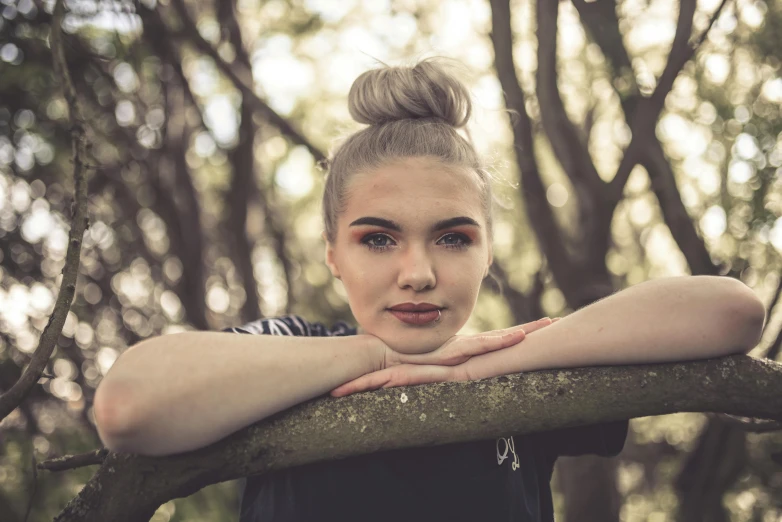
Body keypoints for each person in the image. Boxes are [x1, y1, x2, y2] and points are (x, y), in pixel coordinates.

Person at [94, 57, 765, 522]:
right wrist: (381, 358)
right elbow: (127, 406)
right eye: (378, 239)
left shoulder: (528, 376)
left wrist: (483, 365)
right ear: (333, 255)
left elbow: (732, 311)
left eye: (452, 238)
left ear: (487, 252)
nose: (417, 272)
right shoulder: (287, 353)